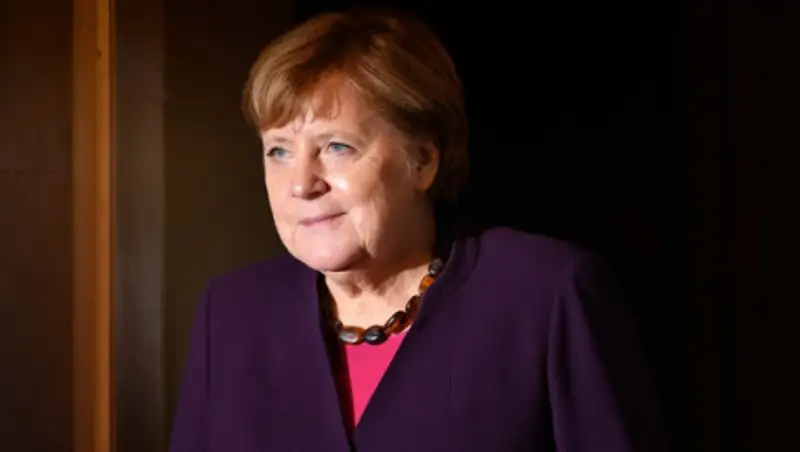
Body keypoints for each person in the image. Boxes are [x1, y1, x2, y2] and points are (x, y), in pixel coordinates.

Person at [170, 9, 667, 452]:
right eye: (278, 150)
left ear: (423, 161)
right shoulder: (230, 313)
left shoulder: (548, 296)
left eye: (337, 147)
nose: (301, 183)